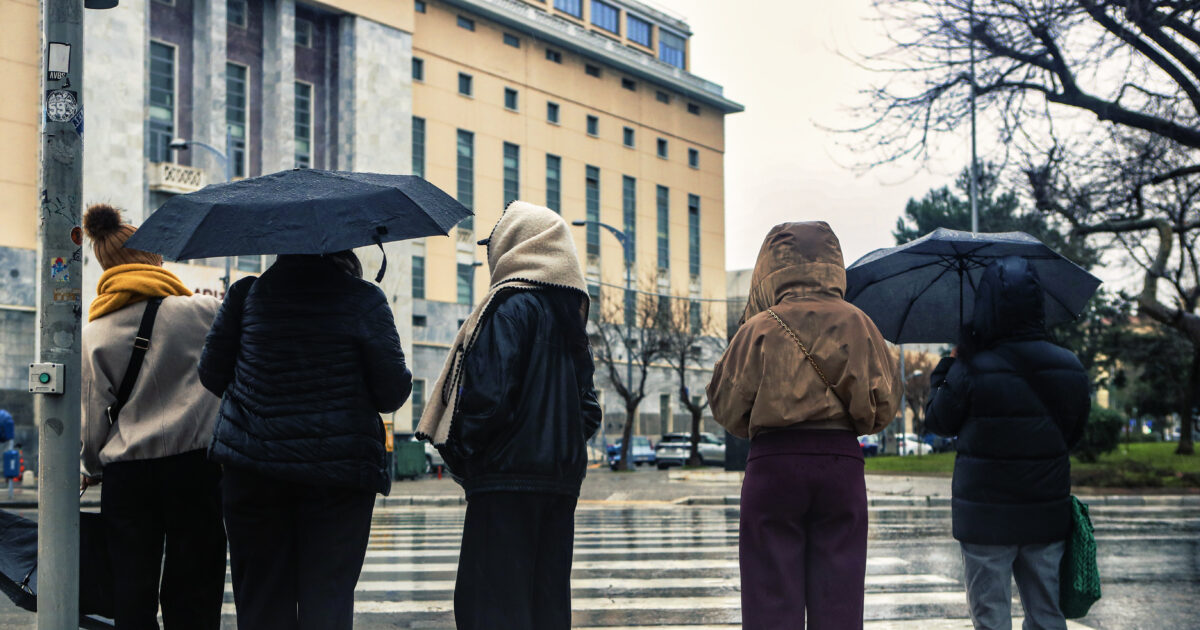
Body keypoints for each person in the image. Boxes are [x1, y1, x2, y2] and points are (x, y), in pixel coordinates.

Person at [199, 249, 411, 630]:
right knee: (327, 603)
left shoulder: (246, 295)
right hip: (338, 476)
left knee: (262, 603)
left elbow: (211, 374)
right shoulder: (364, 300)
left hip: (253, 470)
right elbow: (391, 393)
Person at [416, 201, 602, 630]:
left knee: (492, 608)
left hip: (502, 484)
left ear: (517, 245)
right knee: (545, 606)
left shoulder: (507, 307)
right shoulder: (570, 320)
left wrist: (465, 455)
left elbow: (486, 399)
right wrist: (557, 446)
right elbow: (589, 411)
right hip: (559, 485)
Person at [706, 221, 900, 630]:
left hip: (774, 464)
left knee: (769, 597)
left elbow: (725, 407)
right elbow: (883, 407)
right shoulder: (860, 324)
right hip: (840, 464)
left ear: (770, 267)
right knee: (840, 598)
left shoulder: (758, 328)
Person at [79, 203, 226, 630]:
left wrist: (92, 468)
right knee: (196, 587)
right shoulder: (204, 311)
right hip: (196, 468)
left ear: (107, 265)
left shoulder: (96, 333)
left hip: (129, 477)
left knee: (131, 589)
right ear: (150, 256)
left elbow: (92, 419)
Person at [925, 256, 1090, 630]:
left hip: (985, 517)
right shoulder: (1068, 365)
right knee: (1047, 616)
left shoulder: (971, 366)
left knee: (991, 618)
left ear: (985, 305)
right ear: (1038, 303)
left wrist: (946, 368)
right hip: (1045, 511)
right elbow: (1073, 434)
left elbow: (938, 421)